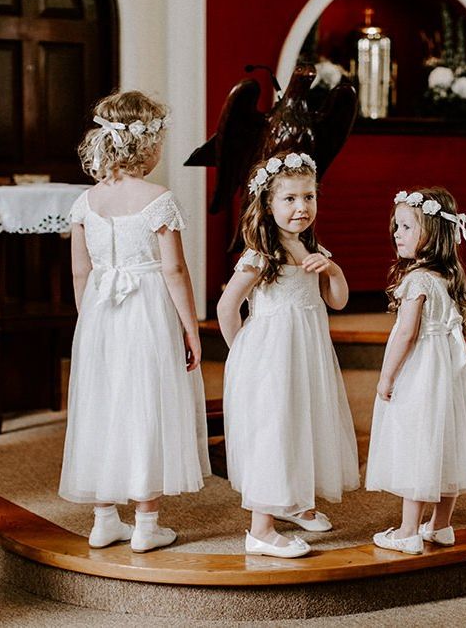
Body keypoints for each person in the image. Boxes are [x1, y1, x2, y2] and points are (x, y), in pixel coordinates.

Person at [59, 90, 210, 553]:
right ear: (146, 144)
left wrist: (90, 323)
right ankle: (146, 523)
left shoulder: (87, 202)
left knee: (104, 407)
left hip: (101, 312)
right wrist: (190, 327)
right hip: (147, 311)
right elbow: (174, 270)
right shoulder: (157, 199)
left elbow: (80, 271)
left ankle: (104, 517)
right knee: (148, 405)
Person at [217, 151, 359, 559]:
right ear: (267, 204)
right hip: (272, 359)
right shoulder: (262, 255)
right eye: (290, 199)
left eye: (309, 197)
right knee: (274, 430)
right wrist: (243, 354)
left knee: (303, 421)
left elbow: (338, 302)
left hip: (307, 357)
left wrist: (333, 270)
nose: (302, 207)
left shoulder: (310, 247)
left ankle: (295, 502)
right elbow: (228, 308)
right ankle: (261, 530)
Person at [365, 188, 466, 555]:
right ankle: (440, 524)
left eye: (406, 226)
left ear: (432, 234)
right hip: (449, 372)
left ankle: (408, 530)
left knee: (417, 442)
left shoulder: (417, 281)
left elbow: (406, 334)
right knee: (446, 440)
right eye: (397, 226)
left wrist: (387, 376)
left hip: (421, 371)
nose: (397, 233)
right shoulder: (446, 279)